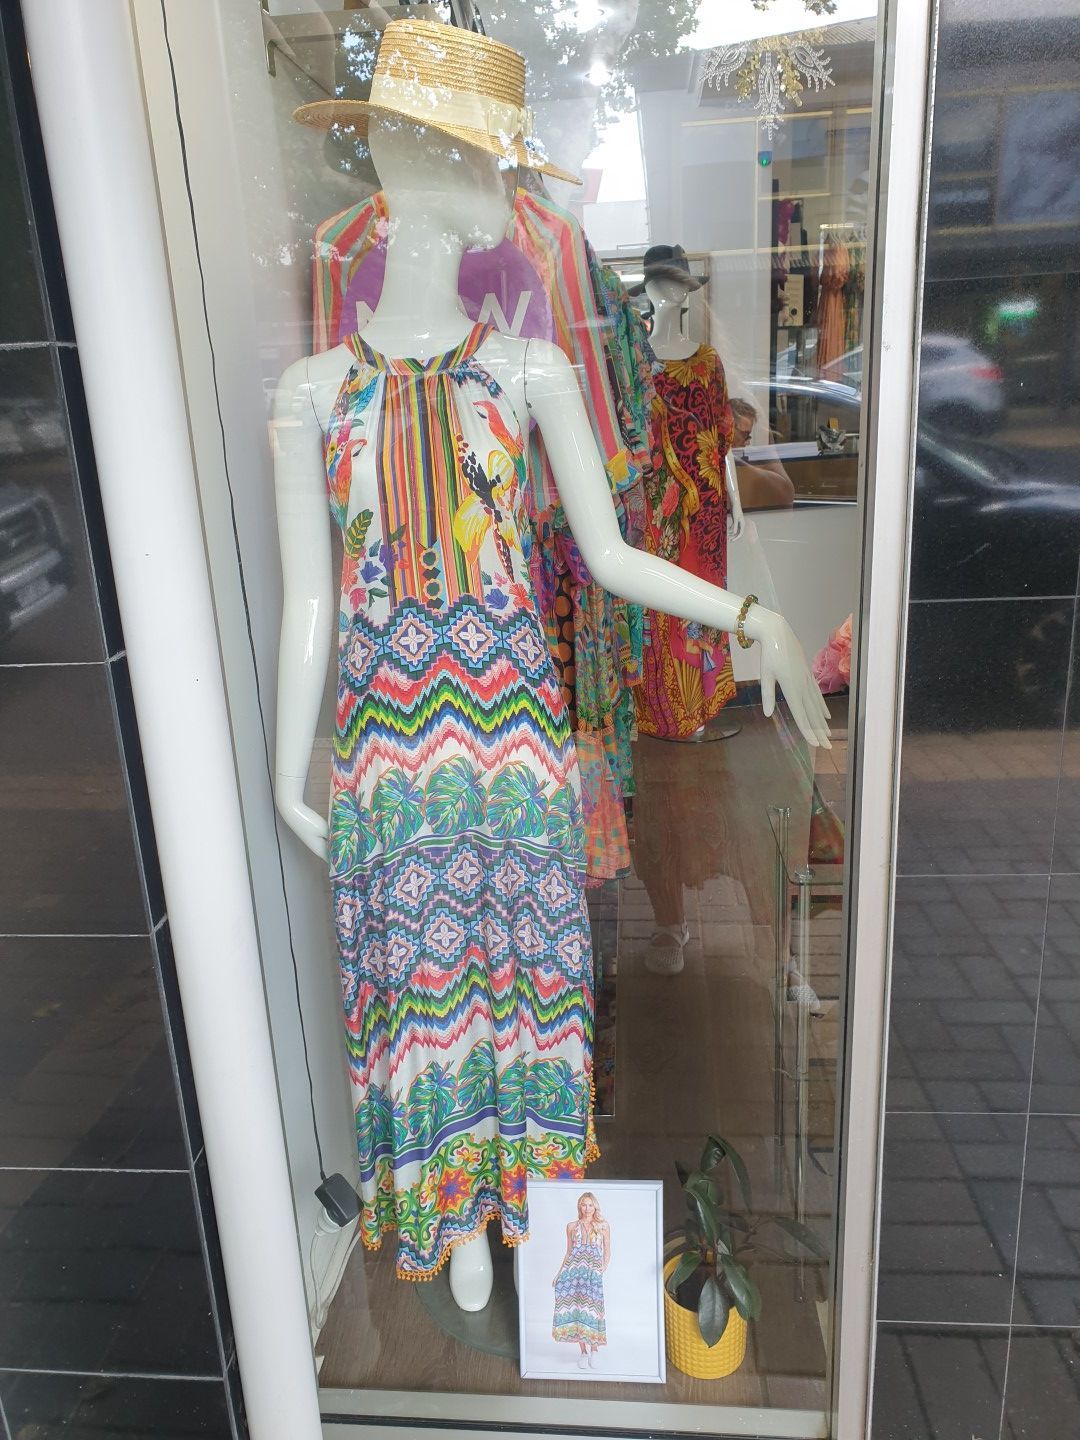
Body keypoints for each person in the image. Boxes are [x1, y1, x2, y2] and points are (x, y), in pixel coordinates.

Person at [552, 1192, 610, 1370]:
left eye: (590, 1205)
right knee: (576, 1310)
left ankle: (595, 1350)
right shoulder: (571, 1226)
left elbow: (607, 1252)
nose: (587, 1209)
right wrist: (559, 1274)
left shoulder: (603, 1226)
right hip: (573, 1274)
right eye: (584, 1205)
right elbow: (569, 1252)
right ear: (579, 1206)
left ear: (595, 1207)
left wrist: (601, 1270)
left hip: (592, 1275)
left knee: (591, 1311)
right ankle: (583, 1352)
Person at [729, 397, 795, 510]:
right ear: (728, 428)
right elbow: (787, 493)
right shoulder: (728, 463)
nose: (748, 442)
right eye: (744, 435)